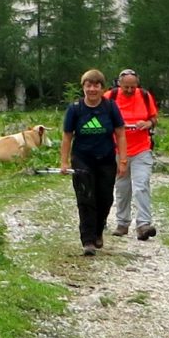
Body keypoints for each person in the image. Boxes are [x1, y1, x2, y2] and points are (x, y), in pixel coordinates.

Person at [60, 68, 127, 256]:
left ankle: (98, 231)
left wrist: (123, 159)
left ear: (102, 88)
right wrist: (64, 162)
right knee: (85, 198)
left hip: (106, 158)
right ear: (83, 88)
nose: (92, 89)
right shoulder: (75, 109)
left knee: (105, 198)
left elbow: (120, 134)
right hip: (82, 159)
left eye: (96, 85)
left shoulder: (110, 107)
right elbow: (67, 137)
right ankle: (88, 240)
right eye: (88, 85)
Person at [107, 68, 160, 239]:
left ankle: (143, 225)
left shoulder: (145, 96)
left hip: (141, 148)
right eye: (126, 88)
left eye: (133, 87)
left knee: (141, 185)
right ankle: (122, 223)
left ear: (137, 84)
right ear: (119, 84)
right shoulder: (110, 97)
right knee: (122, 187)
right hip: (117, 150)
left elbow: (154, 119)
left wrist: (147, 123)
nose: (130, 91)